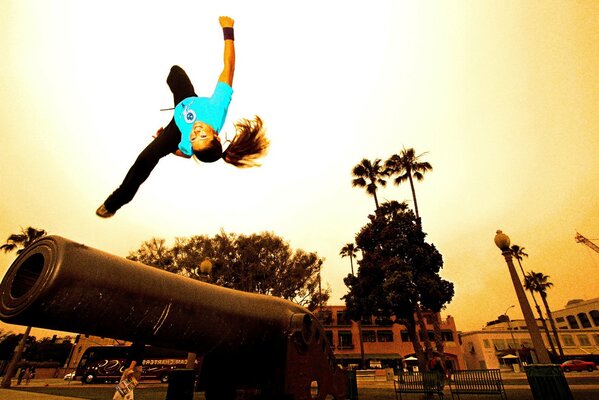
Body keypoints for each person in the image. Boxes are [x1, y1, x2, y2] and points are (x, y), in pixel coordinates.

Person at [96, 16, 269, 218]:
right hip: (187, 100)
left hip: (175, 130)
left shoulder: (186, 142)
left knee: (145, 159)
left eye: (195, 139)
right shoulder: (217, 108)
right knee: (175, 73)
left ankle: (114, 204)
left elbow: (186, 153)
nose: (195, 133)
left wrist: (167, 145)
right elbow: (228, 67)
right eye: (202, 135)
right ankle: (174, 83)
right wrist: (228, 30)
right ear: (216, 135)